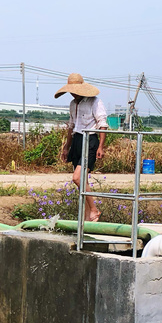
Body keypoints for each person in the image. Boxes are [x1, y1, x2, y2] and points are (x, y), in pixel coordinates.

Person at [55, 73, 107, 222]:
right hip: (77, 140)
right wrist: (66, 147)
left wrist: (101, 147)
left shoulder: (94, 102)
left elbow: (102, 124)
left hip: (90, 140)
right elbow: (72, 126)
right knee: (83, 181)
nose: (72, 93)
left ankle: (94, 210)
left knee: (77, 178)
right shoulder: (73, 104)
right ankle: (86, 218)